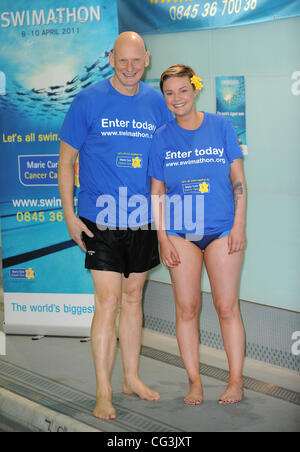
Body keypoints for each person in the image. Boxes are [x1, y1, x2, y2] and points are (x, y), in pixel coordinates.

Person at [58, 32, 172, 420]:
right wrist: (70, 216)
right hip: (98, 217)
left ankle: (131, 377)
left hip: (141, 218)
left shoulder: (157, 104)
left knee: (133, 298)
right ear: (110, 58)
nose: (128, 68)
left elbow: (166, 161)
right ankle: (103, 390)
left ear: (147, 59)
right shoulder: (88, 100)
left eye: (135, 61)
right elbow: (65, 162)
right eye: (122, 60)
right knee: (107, 301)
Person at [149, 65, 247, 406]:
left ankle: (235, 380)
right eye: (169, 93)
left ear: (195, 90)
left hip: (222, 230)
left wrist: (238, 227)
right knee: (187, 308)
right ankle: (195, 382)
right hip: (180, 233)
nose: (177, 99)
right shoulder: (161, 137)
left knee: (226, 306)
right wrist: (162, 237)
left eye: (183, 91)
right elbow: (157, 192)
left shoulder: (221, 126)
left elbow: (238, 182)